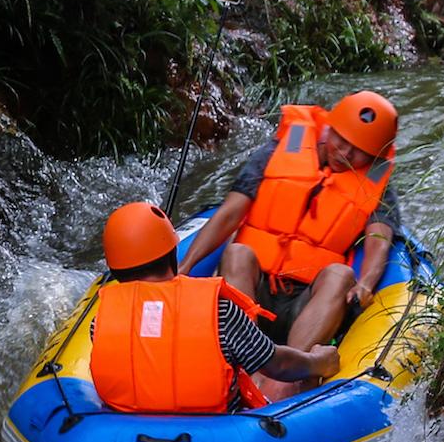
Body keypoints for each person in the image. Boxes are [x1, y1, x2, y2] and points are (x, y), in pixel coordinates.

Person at [176, 91, 400, 402]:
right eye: (341, 139)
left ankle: (283, 383)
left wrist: (365, 284)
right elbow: (230, 213)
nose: (345, 152)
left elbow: (379, 241)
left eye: (359, 150)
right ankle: (242, 366)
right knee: (237, 252)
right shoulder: (281, 149)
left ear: (375, 156)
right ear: (329, 128)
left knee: (339, 274)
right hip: (255, 293)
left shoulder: (377, 183)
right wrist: (185, 267)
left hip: (306, 303)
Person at [88, 202, 339, 415]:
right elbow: (277, 365)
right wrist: (317, 362)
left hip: (126, 434)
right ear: (171, 256)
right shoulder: (220, 311)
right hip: (218, 435)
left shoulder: (99, 321)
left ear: (115, 271)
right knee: (303, 380)